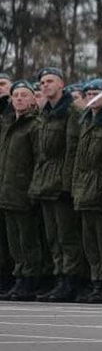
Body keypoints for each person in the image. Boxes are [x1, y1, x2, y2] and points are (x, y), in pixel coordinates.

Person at [29, 67, 83, 302]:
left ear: (62, 84)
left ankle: (70, 279)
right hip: (45, 182)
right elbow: (39, 154)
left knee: (66, 236)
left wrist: (68, 185)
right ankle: (59, 276)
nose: (45, 85)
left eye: (50, 81)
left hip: (61, 183)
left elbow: (72, 149)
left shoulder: (71, 111)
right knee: (52, 236)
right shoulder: (44, 113)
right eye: (42, 82)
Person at [71, 78, 102, 304]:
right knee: (90, 243)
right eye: (88, 93)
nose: (91, 97)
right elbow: (79, 161)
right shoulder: (86, 121)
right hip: (85, 191)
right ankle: (97, 280)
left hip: (100, 189)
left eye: (96, 93)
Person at [1, 81, 44, 301]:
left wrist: (34, 188)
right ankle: (18, 276)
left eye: (24, 95)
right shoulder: (9, 126)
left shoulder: (35, 125)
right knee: (14, 241)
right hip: (7, 192)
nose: (19, 99)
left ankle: (29, 279)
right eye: (15, 95)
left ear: (33, 99)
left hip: (24, 192)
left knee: (28, 240)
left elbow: (40, 160)